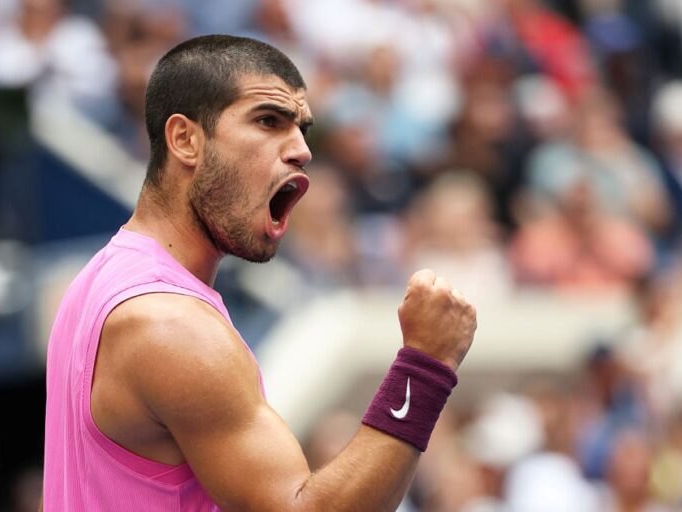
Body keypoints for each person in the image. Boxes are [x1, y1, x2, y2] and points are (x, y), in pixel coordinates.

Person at [40, 35, 477, 510]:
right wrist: (425, 365)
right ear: (185, 139)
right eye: (268, 121)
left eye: (302, 129)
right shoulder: (171, 324)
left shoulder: (102, 279)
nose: (301, 150)